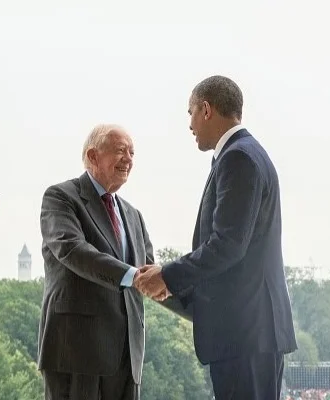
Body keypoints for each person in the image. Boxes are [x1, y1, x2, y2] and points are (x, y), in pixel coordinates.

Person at [135, 75, 297, 399]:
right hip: (250, 333)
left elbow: (227, 245)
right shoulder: (246, 154)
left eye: (191, 112)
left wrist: (168, 275)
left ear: (206, 109)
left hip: (245, 334)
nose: (190, 125)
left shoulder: (238, 158)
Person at [38, 124, 153, 400]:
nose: (129, 159)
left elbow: (151, 275)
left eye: (132, 153)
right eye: (120, 151)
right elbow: (72, 249)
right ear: (92, 155)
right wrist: (132, 275)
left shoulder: (133, 215)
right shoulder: (60, 197)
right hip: (77, 353)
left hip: (127, 356)